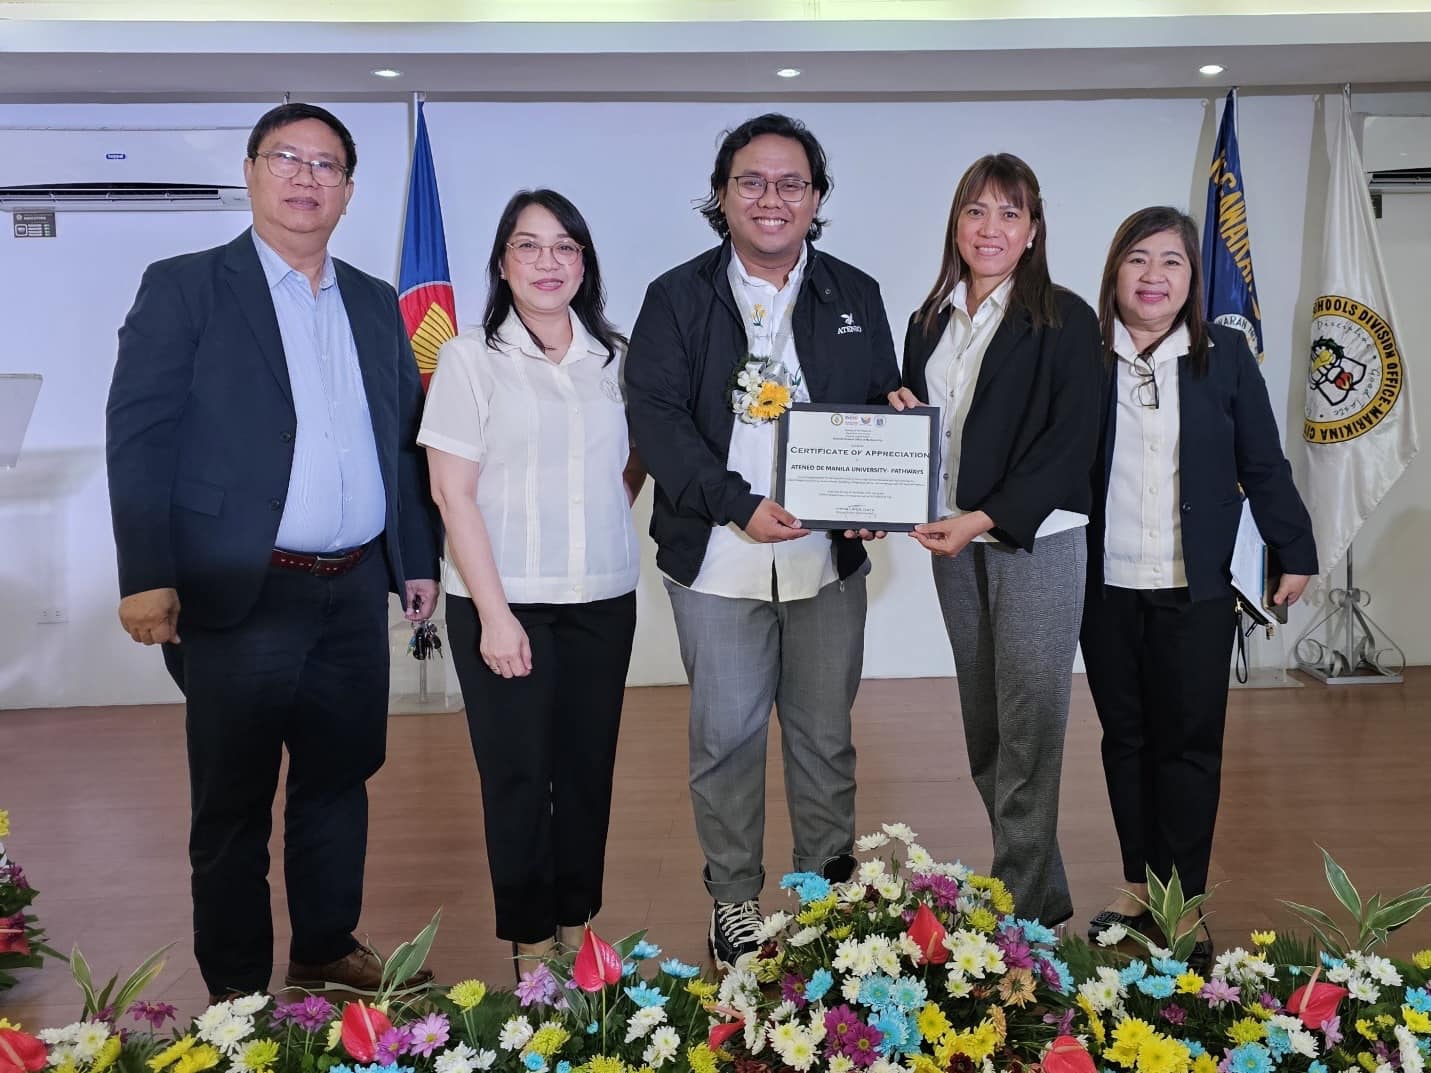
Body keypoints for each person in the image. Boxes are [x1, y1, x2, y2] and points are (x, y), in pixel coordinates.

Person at [106, 102, 441, 1003]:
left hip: (350, 590)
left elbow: (400, 440)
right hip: (235, 592)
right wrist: (145, 574)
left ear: (348, 192)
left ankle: (325, 946)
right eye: (285, 158)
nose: (305, 177)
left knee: (339, 781)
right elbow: (139, 434)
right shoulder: (184, 285)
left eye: (325, 164)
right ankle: (237, 992)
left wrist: (416, 557)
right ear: (251, 172)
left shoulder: (376, 301)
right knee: (232, 805)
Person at [624, 113, 900, 970]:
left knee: (824, 737)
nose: (771, 199)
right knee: (726, 737)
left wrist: (883, 474)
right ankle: (734, 902)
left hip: (824, 562)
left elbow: (883, 398)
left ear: (816, 199)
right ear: (720, 194)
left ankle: (827, 901)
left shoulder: (855, 292)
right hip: (717, 557)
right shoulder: (675, 296)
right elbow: (658, 423)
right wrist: (735, 504)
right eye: (751, 181)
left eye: (791, 184)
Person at [1081, 206, 1316, 968]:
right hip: (1103, 582)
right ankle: (1136, 888)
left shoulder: (1225, 360)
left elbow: (1264, 462)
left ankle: (1179, 902)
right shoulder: (1079, 357)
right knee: (1125, 739)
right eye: (1138, 260)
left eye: (1171, 262)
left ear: (1191, 278)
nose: (1153, 277)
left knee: (1188, 744)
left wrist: (1295, 548)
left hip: (1196, 586)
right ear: (1114, 270)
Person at [419, 190, 642, 969]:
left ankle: (579, 923)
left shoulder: (614, 356)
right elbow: (452, 492)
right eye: (528, 245)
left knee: (587, 772)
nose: (548, 262)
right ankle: (530, 939)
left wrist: (604, 513)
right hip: (502, 599)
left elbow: (635, 458)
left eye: (564, 247)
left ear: (584, 263)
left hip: (602, 600)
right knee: (517, 776)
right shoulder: (469, 356)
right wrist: (496, 615)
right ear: (502, 263)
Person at [890, 153, 1102, 927]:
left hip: (1034, 541)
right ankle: (1040, 902)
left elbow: (1069, 443)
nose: (990, 228)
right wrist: (899, 412)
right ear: (956, 223)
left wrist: (983, 516)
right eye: (976, 211)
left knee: (1031, 726)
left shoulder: (1066, 318)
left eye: (1008, 213)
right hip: (956, 547)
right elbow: (927, 427)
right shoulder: (927, 320)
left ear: (1033, 231)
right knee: (988, 730)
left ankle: (1012, 916)